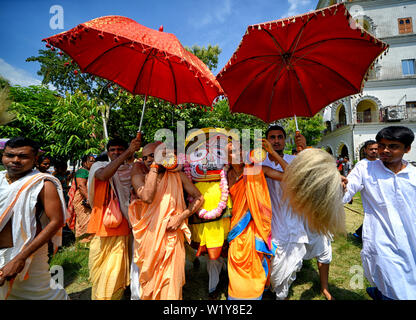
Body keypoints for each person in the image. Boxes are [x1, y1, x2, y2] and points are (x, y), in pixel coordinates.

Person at [343, 126, 415, 300]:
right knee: (396, 289)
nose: (385, 151)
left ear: (407, 149)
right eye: (382, 145)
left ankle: (378, 293)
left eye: (393, 146)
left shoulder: (413, 174)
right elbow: (344, 194)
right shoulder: (365, 169)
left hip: (411, 243)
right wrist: (339, 185)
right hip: (382, 242)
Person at [263, 125, 334, 300]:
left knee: (295, 255)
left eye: (280, 137)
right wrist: (271, 155)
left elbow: (299, 176)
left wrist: (304, 147)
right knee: (277, 257)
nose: (277, 140)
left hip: (295, 214)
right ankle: (276, 289)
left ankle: (283, 293)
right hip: (273, 216)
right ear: (266, 140)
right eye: (272, 137)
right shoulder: (260, 162)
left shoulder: (292, 160)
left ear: (285, 140)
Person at [129, 142, 204, 300]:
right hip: (149, 237)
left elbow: (199, 198)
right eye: (146, 157)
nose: (149, 159)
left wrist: (181, 217)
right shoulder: (139, 178)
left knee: (171, 281)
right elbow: (147, 197)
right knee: (151, 281)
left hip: (172, 237)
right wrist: (155, 165)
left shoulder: (178, 176)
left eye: (153, 155)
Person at [0, 137, 68, 300]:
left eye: (23, 156)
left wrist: (20, 258)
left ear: (35, 159)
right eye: (10, 155)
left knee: (43, 296)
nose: (15, 160)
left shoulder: (43, 184)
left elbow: (56, 221)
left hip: (28, 255)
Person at [226, 139, 288, 300]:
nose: (238, 153)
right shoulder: (226, 176)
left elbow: (289, 175)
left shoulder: (258, 170)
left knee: (255, 266)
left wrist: (273, 153)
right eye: (233, 151)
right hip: (237, 229)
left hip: (256, 228)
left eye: (241, 149)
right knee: (236, 264)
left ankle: (254, 295)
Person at [86, 136, 141, 300]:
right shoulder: (99, 165)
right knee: (99, 265)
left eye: (120, 150)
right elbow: (103, 176)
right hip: (100, 223)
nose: (116, 152)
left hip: (123, 223)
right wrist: (128, 153)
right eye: (112, 150)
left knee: (114, 268)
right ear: (107, 152)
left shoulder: (132, 169)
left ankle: (109, 295)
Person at [352, 140, 378, 242]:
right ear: (365, 150)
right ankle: (361, 234)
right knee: (372, 217)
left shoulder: (381, 163)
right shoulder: (361, 165)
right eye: (371, 149)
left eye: (376, 149)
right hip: (369, 196)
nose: (374, 151)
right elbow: (354, 183)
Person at [67, 155, 95, 242]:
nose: (93, 163)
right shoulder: (82, 171)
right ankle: (85, 241)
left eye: (94, 161)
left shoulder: (89, 171)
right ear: (84, 163)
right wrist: (88, 199)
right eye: (91, 161)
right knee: (86, 219)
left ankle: (81, 241)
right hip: (82, 198)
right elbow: (81, 186)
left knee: (82, 220)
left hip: (87, 197)